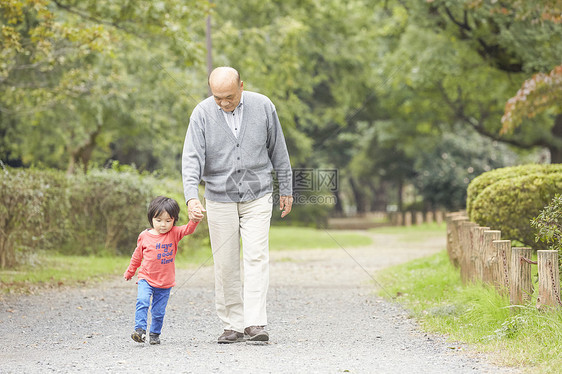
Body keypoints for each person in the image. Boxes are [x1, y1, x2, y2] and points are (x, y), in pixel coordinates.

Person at [182, 66, 293, 343]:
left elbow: (278, 149)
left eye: (229, 96)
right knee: (226, 262)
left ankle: (255, 323)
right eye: (217, 97)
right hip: (219, 197)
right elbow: (191, 157)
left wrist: (287, 188)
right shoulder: (202, 113)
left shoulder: (263, 106)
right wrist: (191, 195)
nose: (223, 103)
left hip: (258, 194)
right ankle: (232, 324)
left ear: (241, 86)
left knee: (256, 257)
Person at [124, 196, 200, 345]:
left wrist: (195, 219)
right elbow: (137, 255)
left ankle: (154, 334)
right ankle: (139, 330)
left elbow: (189, 229)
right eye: (159, 220)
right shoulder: (144, 236)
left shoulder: (174, 233)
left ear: (174, 220)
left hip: (165, 282)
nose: (163, 225)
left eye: (168, 221)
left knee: (158, 312)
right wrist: (130, 271)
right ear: (151, 218)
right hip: (146, 278)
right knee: (142, 301)